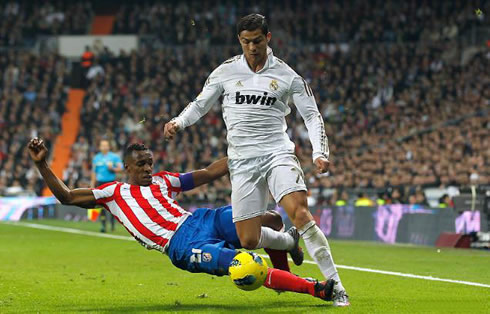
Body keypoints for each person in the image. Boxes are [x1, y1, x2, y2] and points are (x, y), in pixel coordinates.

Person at [164, 14, 349, 306]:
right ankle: (288, 241)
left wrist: (319, 152)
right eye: (246, 41)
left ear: (268, 38)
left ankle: (337, 287)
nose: (252, 47)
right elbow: (201, 104)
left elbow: (312, 115)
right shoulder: (225, 71)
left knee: (300, 214)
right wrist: (179, 122)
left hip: (277, 154)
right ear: (240, 40)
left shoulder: (287, 76)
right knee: (248, 240)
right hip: (241, 163)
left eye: (257, 41)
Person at [27, 138, 336, 302]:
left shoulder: (164, 180)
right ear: (126, 167)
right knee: (247, 265)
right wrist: (43, 165)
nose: (148, 168)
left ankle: (287, 248)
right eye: (141, 164)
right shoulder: (111, 193)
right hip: (183, 245)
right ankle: (313, 288)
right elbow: (67, 196)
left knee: (264, 218)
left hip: (203, 220)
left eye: (150, 162)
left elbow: (210, 173)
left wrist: (245, 149)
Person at [91, 139, 123, 232]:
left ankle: (113, 223)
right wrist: (92, 183)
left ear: (109, 147)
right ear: (100, 147)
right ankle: (103, 225)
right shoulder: (96, 158)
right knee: (101, 204)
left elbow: (121, 168)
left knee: (112, 204)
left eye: (106, 145)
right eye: (102, 145)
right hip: (100, 183)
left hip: (111, 182)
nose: (104, 147)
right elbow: (94, 172)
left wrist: (112, 168)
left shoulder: (114, 157)